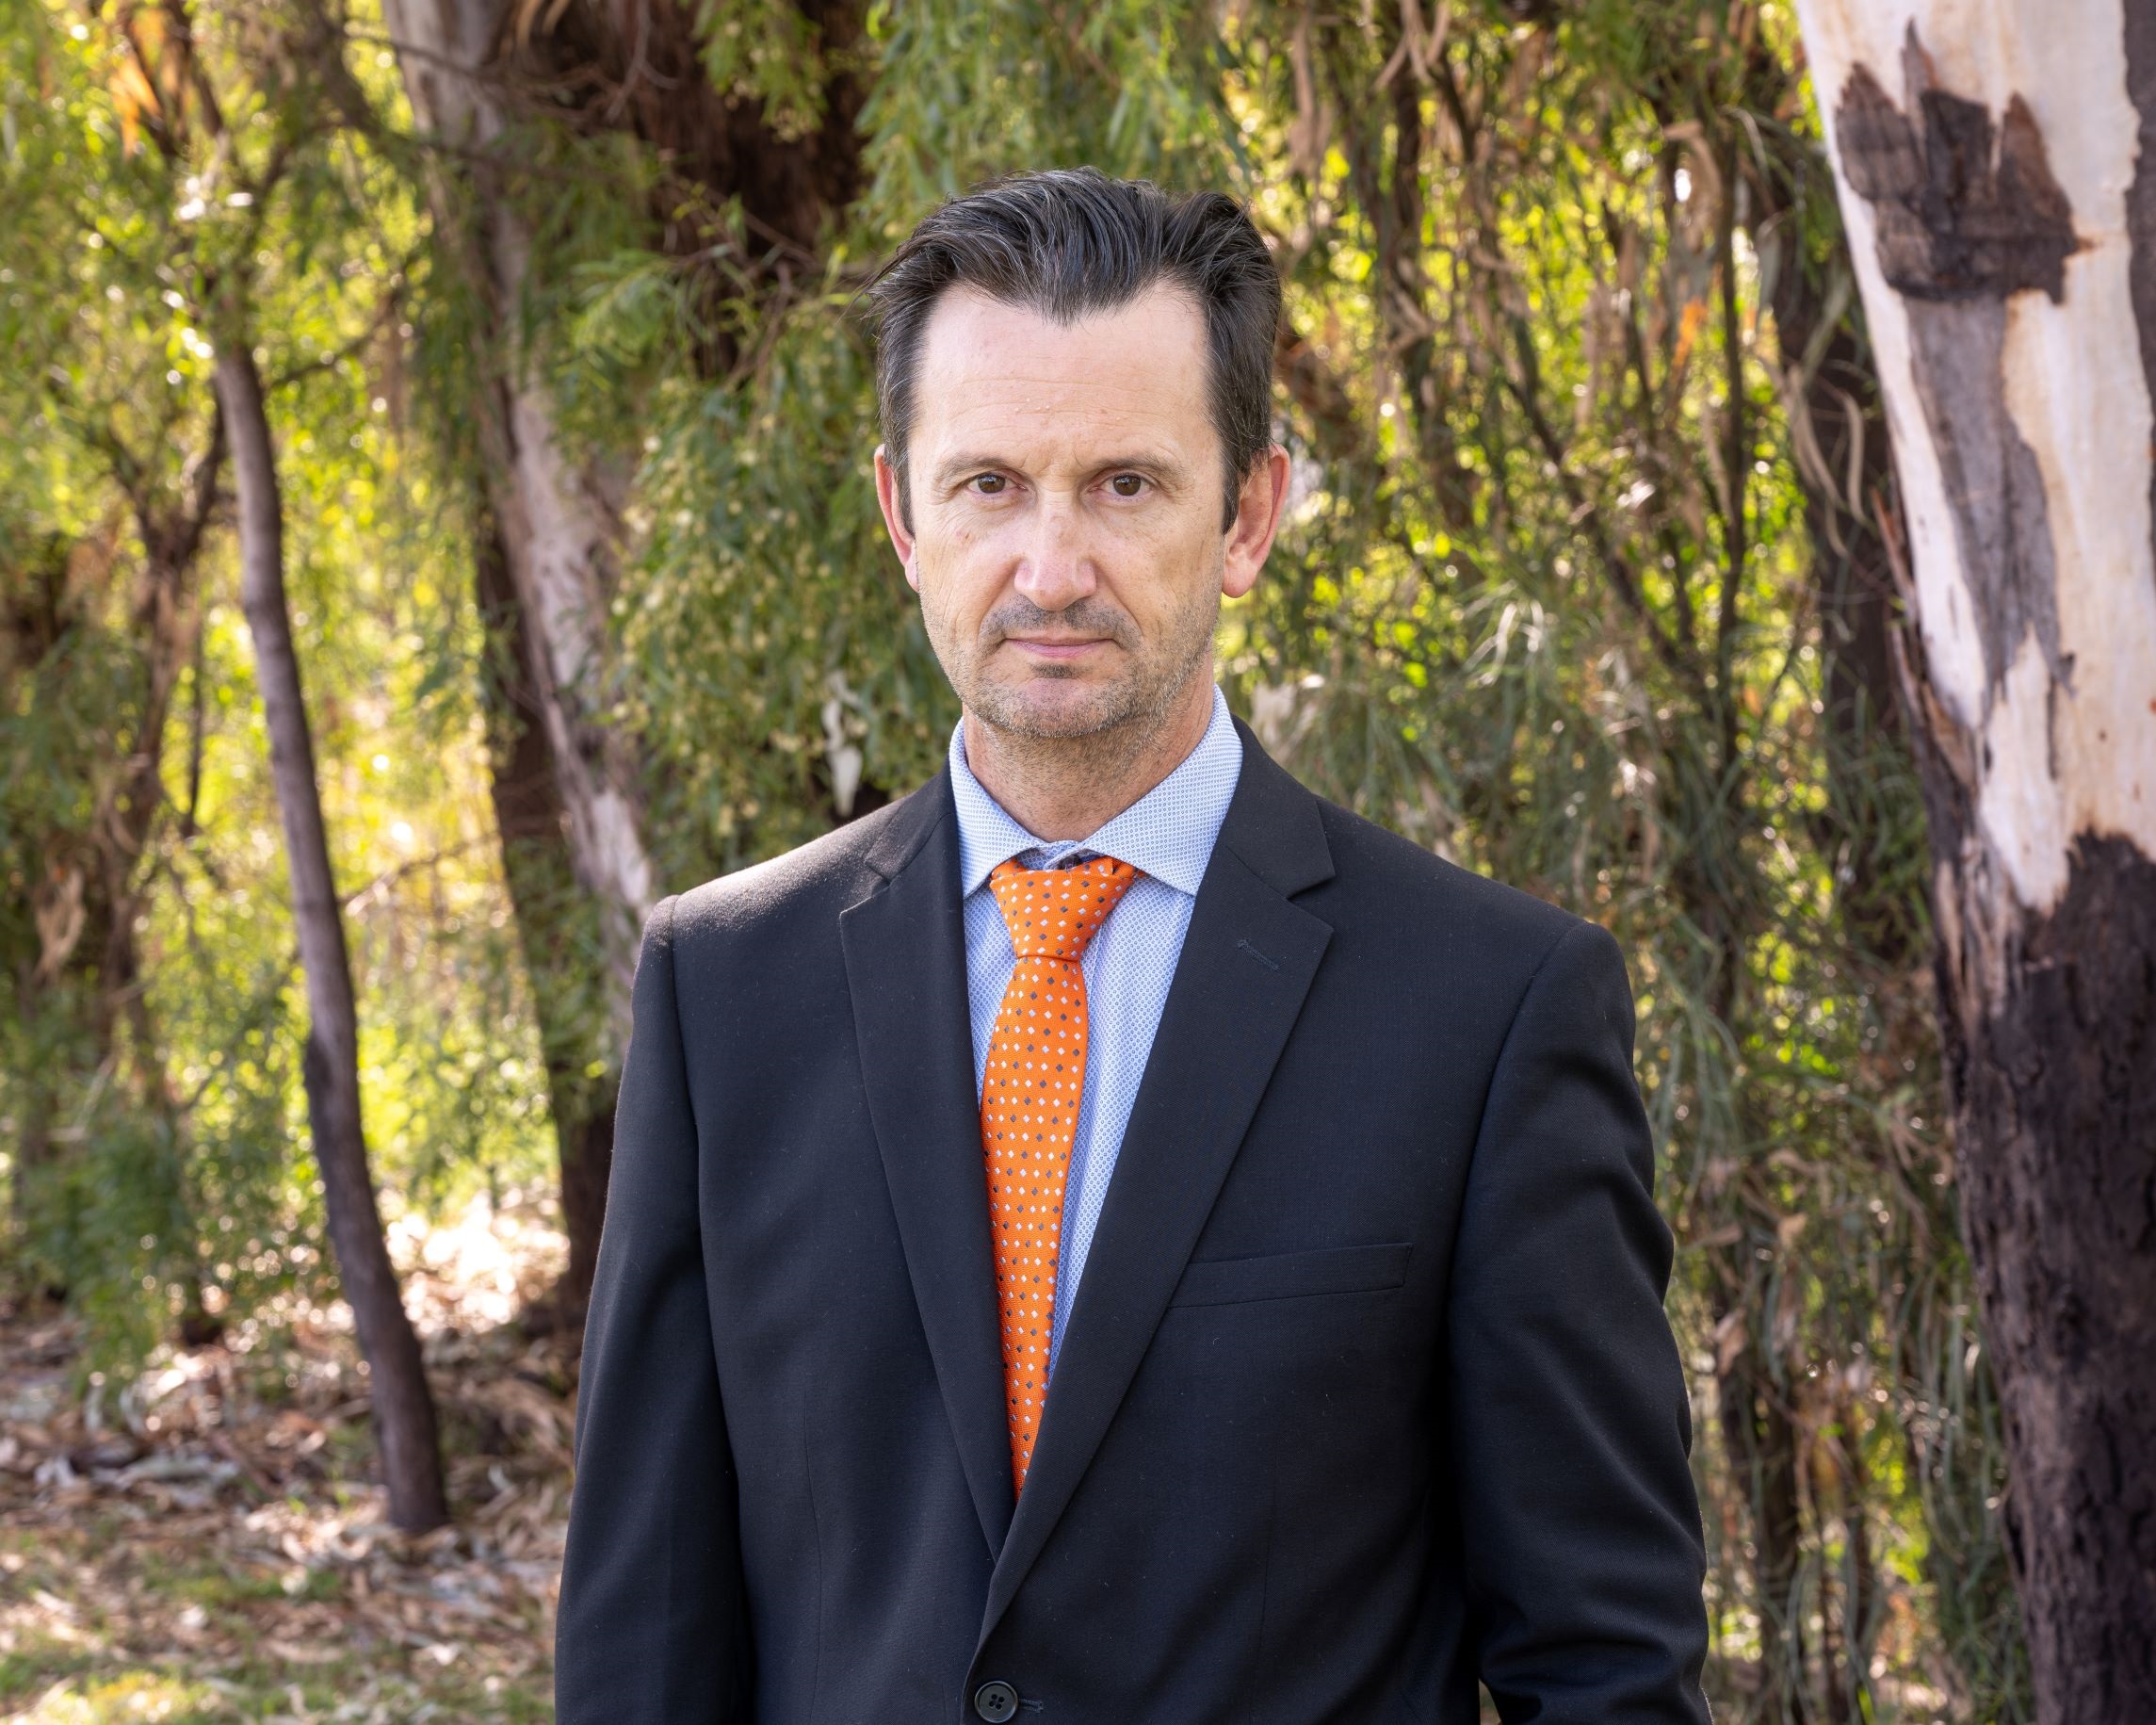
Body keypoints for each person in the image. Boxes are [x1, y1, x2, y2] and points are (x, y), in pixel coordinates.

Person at [555, 168, 1710, 1724]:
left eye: (1123, 485)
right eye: (987, 486)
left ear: (1247, 516)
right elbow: (644, 1629)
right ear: (901, 513)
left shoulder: (1487, 1012)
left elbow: (1602, 1665)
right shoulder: (723, 988)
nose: (1048, 569)